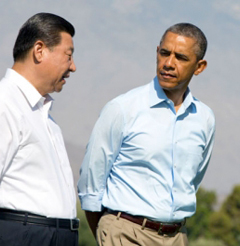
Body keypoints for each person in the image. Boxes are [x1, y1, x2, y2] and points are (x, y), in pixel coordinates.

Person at [77, 23, 215, 246]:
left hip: (177, 237)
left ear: (199, 67)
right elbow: (91, 184)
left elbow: (192, 181)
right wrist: (108, 234)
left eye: (180, 57)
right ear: (156, 52)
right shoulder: (122, 108)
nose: (168, 64)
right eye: (164, 53)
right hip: (125, 233)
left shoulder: (204, 118)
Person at [0, 13, 78, 246]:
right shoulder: (0, 105)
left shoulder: (43, 114)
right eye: (68, 55)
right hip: (22, 237)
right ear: (39, 50)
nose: (73, 67)